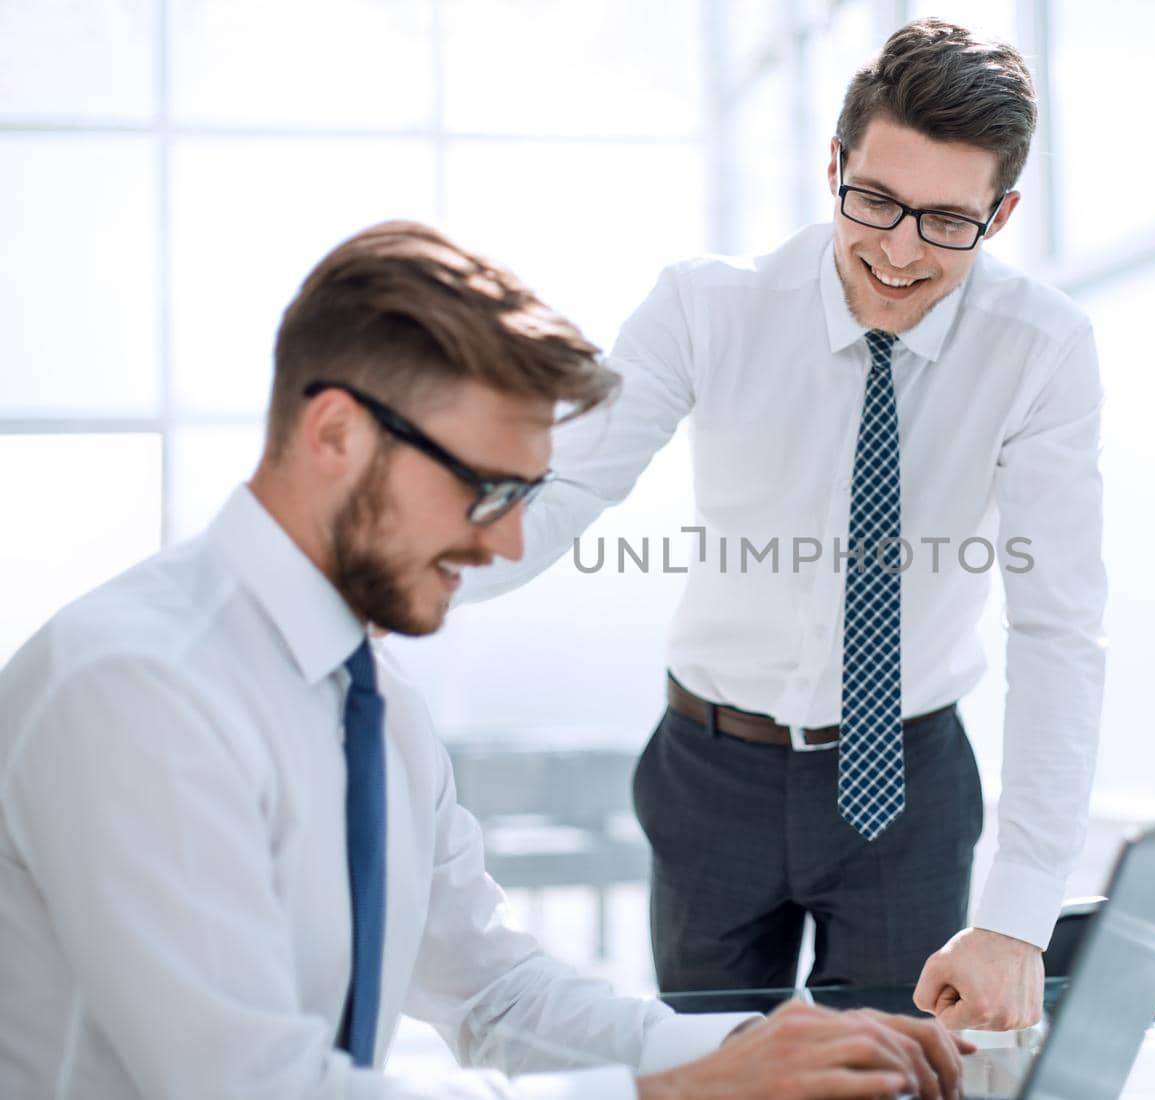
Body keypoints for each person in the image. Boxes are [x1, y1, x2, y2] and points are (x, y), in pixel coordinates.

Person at [0, 221, 970, 1099]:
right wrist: (674, 1093)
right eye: (487, 489)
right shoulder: (134, 688)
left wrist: (768, 1048)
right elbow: (254, 1085)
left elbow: (494, 988)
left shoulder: (371, 698)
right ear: (334, 432)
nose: (510, 544)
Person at [460, 18, 1106, 1032]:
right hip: (713, 766)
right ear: (835, 163)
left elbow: (1059, 625)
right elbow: (568, 490)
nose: (898, 252)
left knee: (899, 1076)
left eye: (945, 221)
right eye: (877, 201)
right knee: (707, 1070)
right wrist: (391, 580)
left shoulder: (1042, 350)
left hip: (908, 778)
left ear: (1002, 211)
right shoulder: (705, 307)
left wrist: (1019, 916)